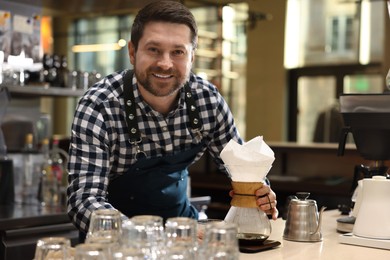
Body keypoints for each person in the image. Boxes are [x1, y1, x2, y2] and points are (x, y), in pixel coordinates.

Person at [67, 0, 278, 238]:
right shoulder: (100, 106)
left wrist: (260, 193)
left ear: (192, 57)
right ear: (133, 52)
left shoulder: (207, 101)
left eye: (178, 52)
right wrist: (157, 237)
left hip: (184, 239)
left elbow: (242, 168)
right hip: (117, 247)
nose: (165, 63)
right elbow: (83, 202)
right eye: (153, 49)